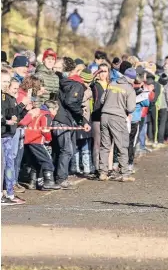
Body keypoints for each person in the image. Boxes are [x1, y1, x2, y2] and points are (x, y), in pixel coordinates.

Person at [52, 58, 90, 189]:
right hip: (63, 121)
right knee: (67, 150)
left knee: (64, 150)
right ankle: (61, 179)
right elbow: (70, 102)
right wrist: (81, 111)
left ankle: (58, 176)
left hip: (64, 120)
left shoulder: (62, 82)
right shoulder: (76, 85)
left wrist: (82, 121)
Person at [98, 68, 136, 182]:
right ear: (132, 79)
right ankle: (125, 174)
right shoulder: (129, 89)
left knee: (105, 146)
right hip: (118, 118)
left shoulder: (112, 83)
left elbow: (101, 100)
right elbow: (131, 108)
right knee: (122, 146)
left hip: (104, 116)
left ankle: (103, 173)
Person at [19, 100, 61, 191]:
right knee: (47, 160)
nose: (56, 113)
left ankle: (33, 182)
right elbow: (45, 130)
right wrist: (49, 139)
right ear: (51, 109)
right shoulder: (46, 115)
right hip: (37, 139)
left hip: (27, 139)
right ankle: (49, 182)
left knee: (35, 162)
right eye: (56, 110)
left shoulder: (37, 112)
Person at [1, 72, 29, 205]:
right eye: (14, 88)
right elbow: (8, 115)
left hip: (10, 134)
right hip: (5, 135)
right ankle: (7, 193)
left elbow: (15, 116)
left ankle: (9, 192)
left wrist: (24, 109)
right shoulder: (4, 98)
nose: (16, 91)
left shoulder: (10, 98)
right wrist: (22, 106)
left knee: (9, 164)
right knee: (7, 164)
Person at [91, 63, 110, 172]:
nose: (103, 73)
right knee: (97, 143)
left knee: (107, 143)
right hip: (97, 116)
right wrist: (96, 74)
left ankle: (106, 166)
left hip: (108, 117)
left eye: (105, 71)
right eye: (101, 71)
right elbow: (89, 81)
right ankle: (97, 167)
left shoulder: (111, 85)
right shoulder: (94, 84)